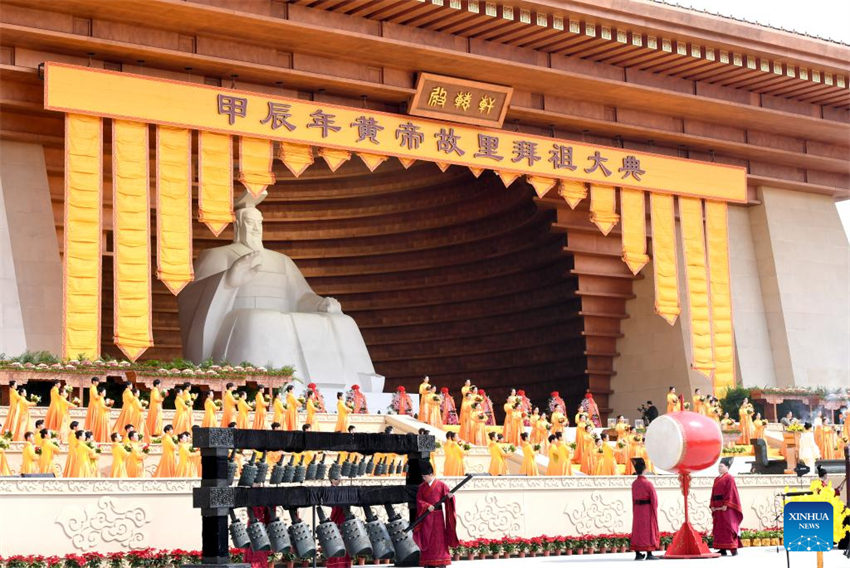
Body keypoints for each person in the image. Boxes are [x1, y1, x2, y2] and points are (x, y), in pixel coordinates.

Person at [412, 462, 458, 568]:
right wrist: (426, 506)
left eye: (425, 476)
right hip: (426, 517)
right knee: (427, 538)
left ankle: (442, 561)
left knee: (439, 539)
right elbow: (419, 500)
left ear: (431, 474)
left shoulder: (441, 485)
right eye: (422, 476)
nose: (424, 478)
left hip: (438, 517)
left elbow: (448, 498)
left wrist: (450, 497)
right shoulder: (422, 487)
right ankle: (428, 562)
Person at [710, 457, 742, 556]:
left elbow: (730, 492)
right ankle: (722, 549)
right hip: (717, 507)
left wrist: (726, 504)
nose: (719, 468)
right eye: (719, 466)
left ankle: (733, 549)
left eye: (721, 466)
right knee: (719, 528)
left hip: (726, 508)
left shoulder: (729, 478)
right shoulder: (716, 479)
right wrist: (712, 505)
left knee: (729, 527)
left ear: (727, 467)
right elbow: (713, 493)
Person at [630, 457, 659, 560]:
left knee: (637, 529)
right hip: (647, 510)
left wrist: (634, 510)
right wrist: (654, 511)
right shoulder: (648, 484)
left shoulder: (634, 484)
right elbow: (654, 500)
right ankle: (649, 553)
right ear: (645, 469)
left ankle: (638, 553)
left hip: (637, 510)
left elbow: (633, 499)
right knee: (648, 529)